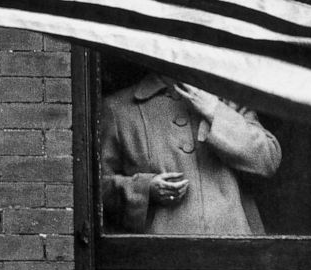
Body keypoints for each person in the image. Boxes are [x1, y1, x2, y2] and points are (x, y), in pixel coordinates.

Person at [100, 73, 281, 235]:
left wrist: (215, 111)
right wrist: (144, 189)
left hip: (233, 252)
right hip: (160, 256)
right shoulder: (118, 108)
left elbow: (269, 159)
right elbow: (95, 188)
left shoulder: (228, 101)